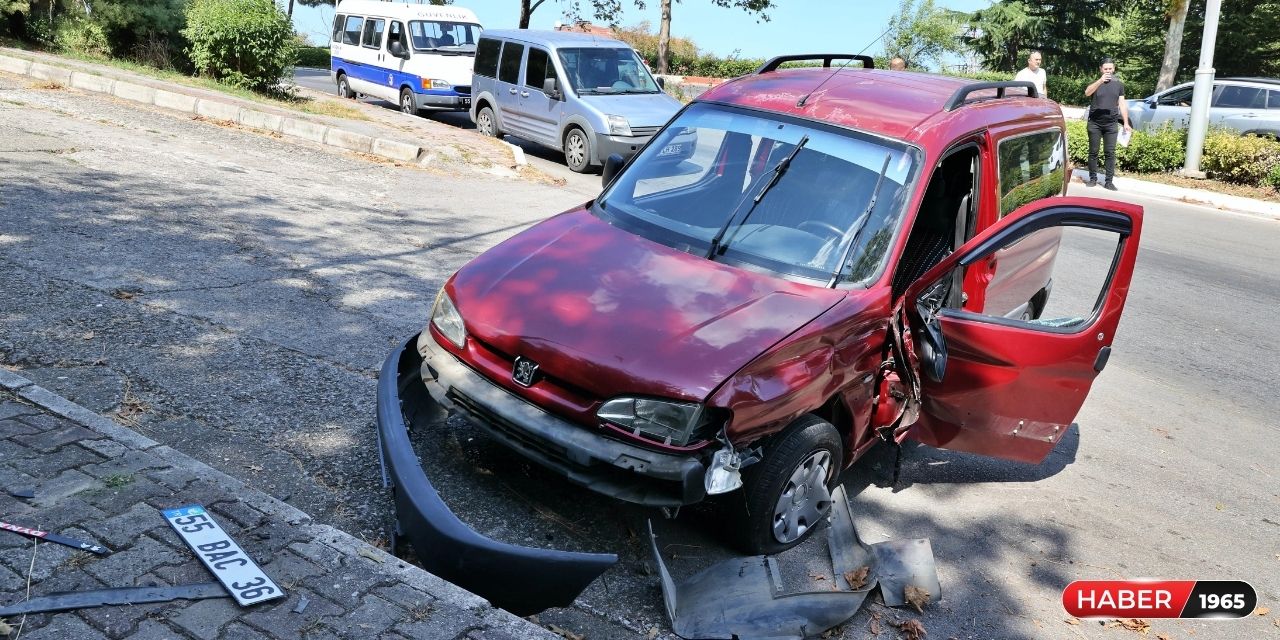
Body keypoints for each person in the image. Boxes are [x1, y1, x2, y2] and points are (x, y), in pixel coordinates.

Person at [1083, 58, 1132, 191]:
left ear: (1114, 69)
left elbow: (1122, 104)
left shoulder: (1119, 85)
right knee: (1093, 152)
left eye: (1110, 69)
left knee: (1110, 153)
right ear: (1101, 69)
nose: (1108, 71)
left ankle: (1109, 181)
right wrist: (1100, 81)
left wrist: (1126, 123)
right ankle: (1092, 179)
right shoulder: (1095, 83)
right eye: (1106, 69)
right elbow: (1087, 93)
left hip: (1111, 124)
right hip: (1094, 123)